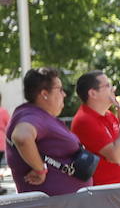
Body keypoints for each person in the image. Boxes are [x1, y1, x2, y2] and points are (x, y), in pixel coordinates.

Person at [5, 68, 93, 196]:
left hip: (62, 205)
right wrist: (40, 169)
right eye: (60, 89)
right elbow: (21, 137)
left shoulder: (39, 115)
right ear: (44, 94)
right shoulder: (32, 115)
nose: (64, 94)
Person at [71, 71, 120, 186]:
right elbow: (116, 156)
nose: (113, 89)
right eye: (107, 86)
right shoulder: (85, 120)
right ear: (93, 93)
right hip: (106, 192)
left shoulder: (109, 115)